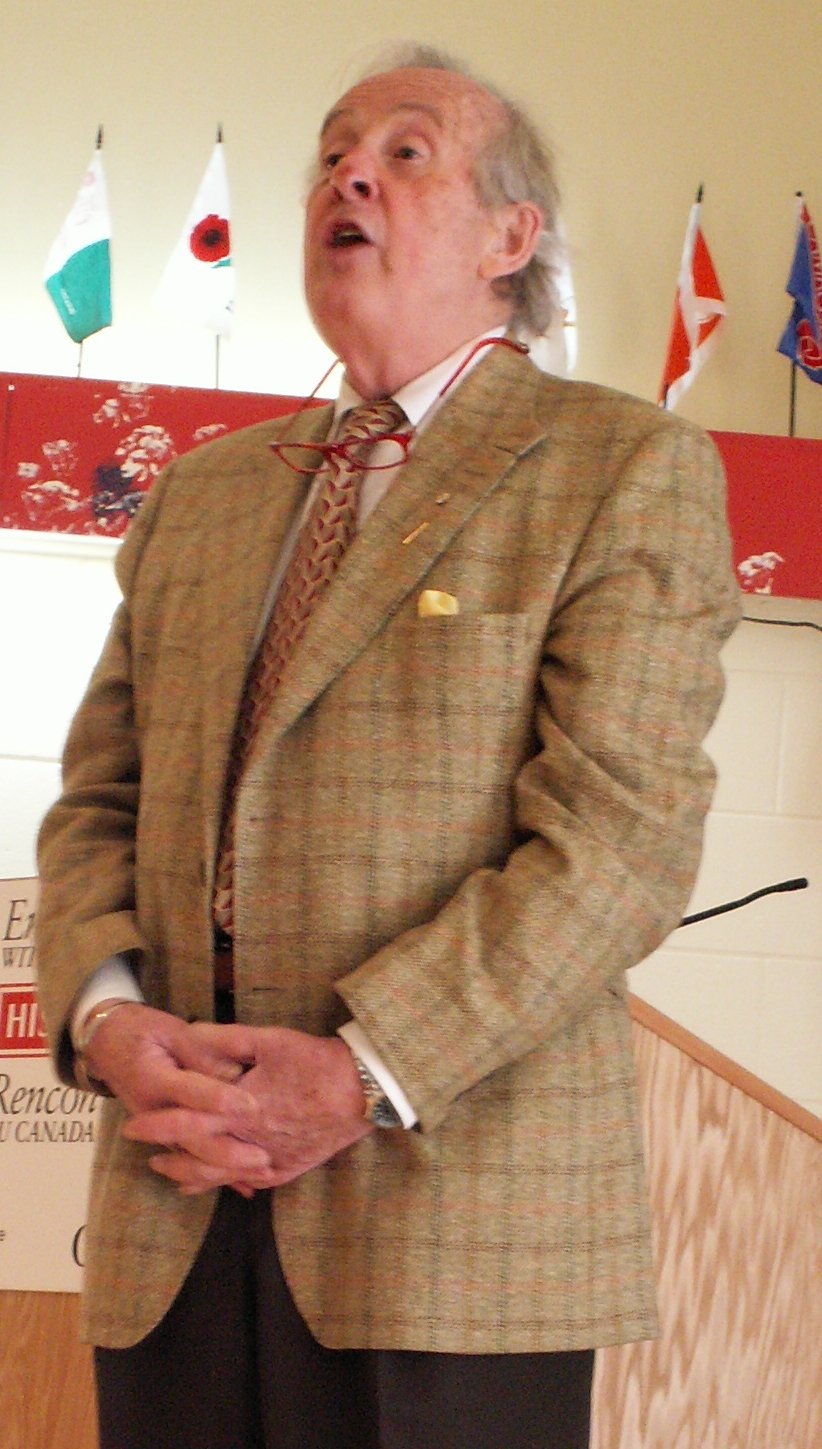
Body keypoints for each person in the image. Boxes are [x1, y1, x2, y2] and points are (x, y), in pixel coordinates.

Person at [35, 43, 740, 1449]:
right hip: (175, 1208)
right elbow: (97, 802)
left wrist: (359, 1072)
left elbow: (618, 840)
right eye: (332, 156)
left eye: (404, 153)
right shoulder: (203, 494)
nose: (346, 176)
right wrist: (107, 1020)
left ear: (509, 237)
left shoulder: (620, 467)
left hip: (448, 1233)